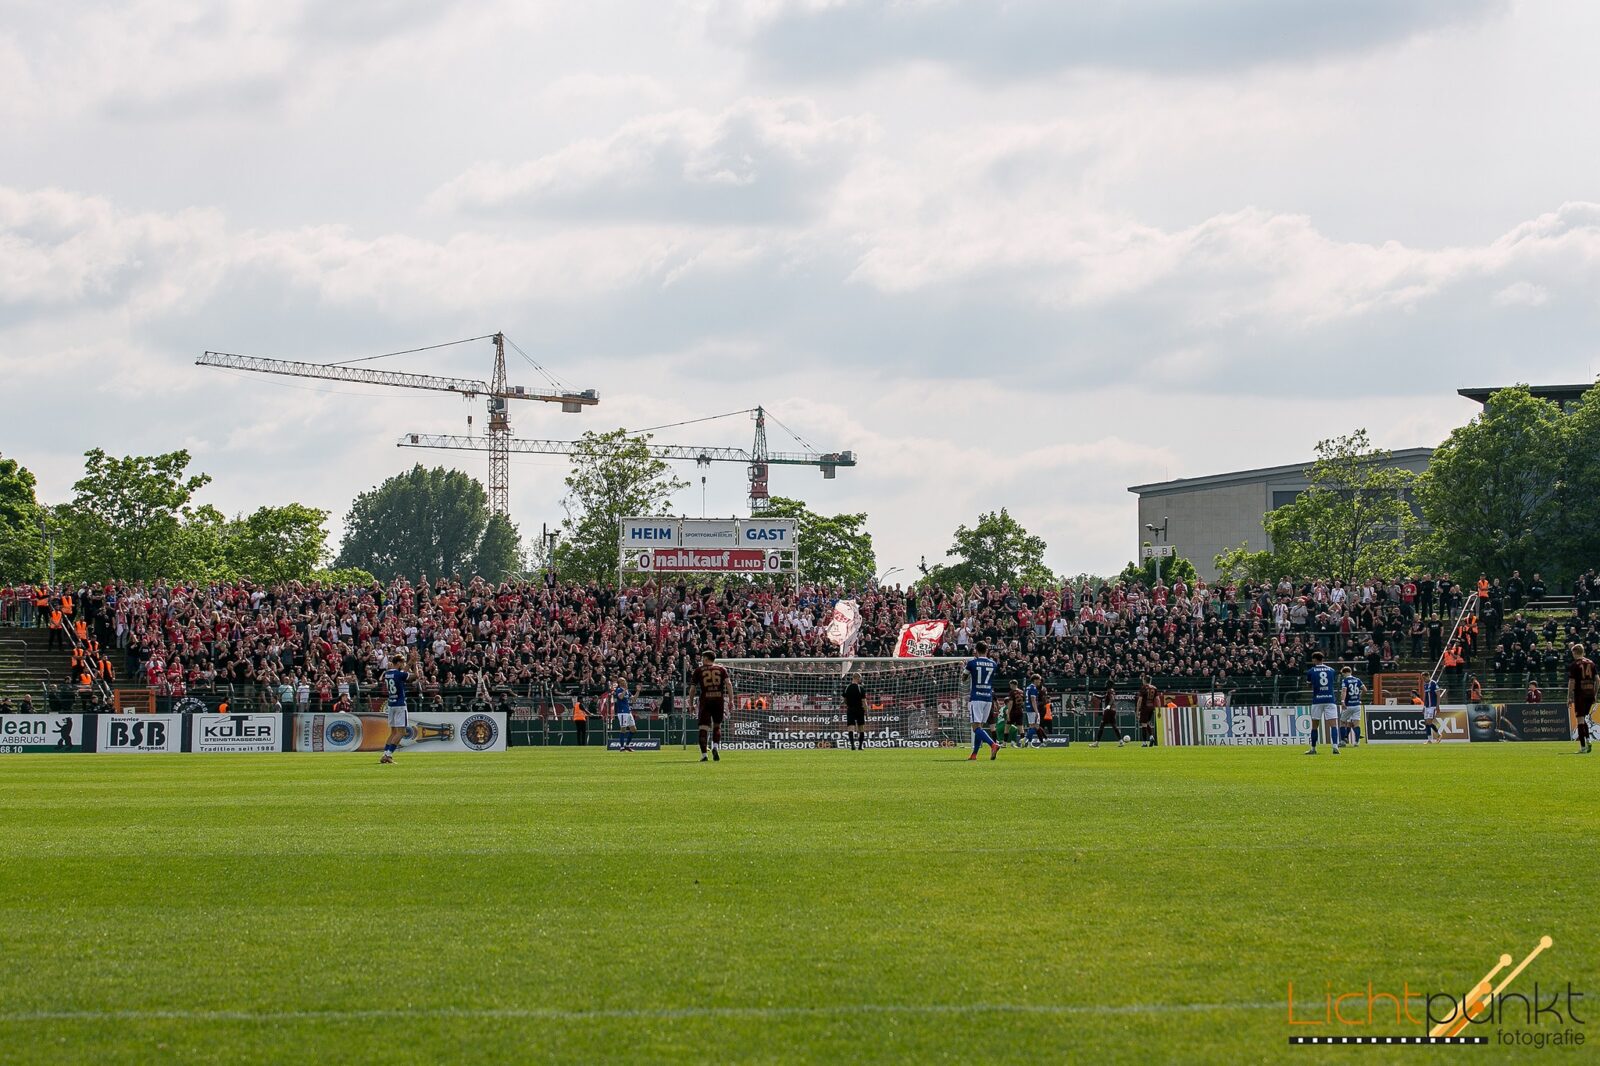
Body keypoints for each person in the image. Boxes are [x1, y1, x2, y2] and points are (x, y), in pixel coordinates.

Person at [691, 651, 731, 763]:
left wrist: (690, 704)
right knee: (717, 725)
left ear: (706, 658)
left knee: (703, 728)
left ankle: (704, 755)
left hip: (705, 700)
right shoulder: (722, 669)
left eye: (703, 658)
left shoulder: (699, 670)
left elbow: (692, 689)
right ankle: (715, 747)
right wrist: (731, 700)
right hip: (718, 699)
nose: (702, 660)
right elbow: (728, 684)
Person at [964, 641, 1000, 761]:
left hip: (976, 697)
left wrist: (966, 669)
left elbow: (963, 679)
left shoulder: (971, 663)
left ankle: (992, 744)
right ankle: (974, 754)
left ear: (976, 650)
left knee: (975, 727)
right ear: (987, 650)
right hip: (988, 698)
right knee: (980, 727)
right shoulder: (993, 663)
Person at [1304, 651, 1340, 755]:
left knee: (1315, 726)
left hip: (1317, 700)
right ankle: (1335, 746)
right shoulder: (1331, 670)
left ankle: (1313, 748)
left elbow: (1309, 685)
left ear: (1315, 659)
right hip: (1330, 699)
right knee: (1333, 725)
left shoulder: (1311, 671)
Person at [378, 654, 411, 765]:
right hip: (400, 705)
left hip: (391, 705)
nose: (404, 665)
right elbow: (414, 676)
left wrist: (409, 663)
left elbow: (402, 674)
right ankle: (388, 755)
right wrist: (414, 663)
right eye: (403, 662)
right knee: (401, 732)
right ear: (399, 663)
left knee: (393, 733)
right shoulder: (399, 674)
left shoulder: (388, 673)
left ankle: (384, 754)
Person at [1569, 643, 1596, 755]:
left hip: (1580, 694)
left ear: (1575, 653)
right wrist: (1595, 693)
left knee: (1580, 719)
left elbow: (1572, 682)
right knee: (1583, 718)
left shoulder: (1575, 665)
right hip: (1590, 693)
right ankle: (1588, 740)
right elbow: (1598, 679)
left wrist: (1569, 696)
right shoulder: (1591, 663)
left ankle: (1583, 746)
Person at [1092, 680, 1123, 748]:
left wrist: (1108, 706)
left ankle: (1096, 743)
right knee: (1114, 726)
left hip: (1109, 711)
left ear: (1109, 684)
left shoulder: (1110, 690)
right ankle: (1121, 741)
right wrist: (1095, 695)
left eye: (1106, 683)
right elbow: (1103, 697)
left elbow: (1112, 699)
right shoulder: (1110, 691)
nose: (1105, 684)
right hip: (1113, 710)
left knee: (1102, 726)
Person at [1339, 667, 1364, 747]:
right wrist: (1359, 697)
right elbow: (1365, 689)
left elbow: (1344, 691)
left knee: (1342, 722)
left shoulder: (1345, 680)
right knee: (1356, 724)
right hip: (1357, 705)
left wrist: (1342, 701)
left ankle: (1343, 741)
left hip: (1348, 705)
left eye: (1343, 674)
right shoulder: (1357, 680)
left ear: (1345, 672)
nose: (1343, 676)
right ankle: (1356, 742)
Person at [843, 671, 867, 751]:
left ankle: (853, 746)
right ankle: (860, 746)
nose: (861, 679)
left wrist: (848, 704)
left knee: (851, 728)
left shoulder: (847, 687)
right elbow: (864, 701)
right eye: (860, 678)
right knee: (861, 728)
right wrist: (866, 711)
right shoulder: (860, 688)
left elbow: (844, 700)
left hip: (850, 709)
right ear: (857, 678)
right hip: (859, 709)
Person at [612, 677, 636, 751]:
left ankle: (627, 745)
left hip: (628, 711)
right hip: (622, 712)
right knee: (623, 729)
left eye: (625, 680)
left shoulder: (627, 691)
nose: (625, 682)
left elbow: (633, 700)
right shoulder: (619, 689)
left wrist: (638, 691)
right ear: (620, 683)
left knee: (633, 729)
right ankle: (622, 747)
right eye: (623, 681)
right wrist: (625, 690)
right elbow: (621, 697)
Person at [1135, 675, 1159, 747]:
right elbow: (1157, 699)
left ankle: (1144, 743)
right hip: (1151, 707)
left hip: (1145, 707)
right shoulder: (1154, 688)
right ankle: (1151, 737)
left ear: (1144, 680)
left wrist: (1137, 710)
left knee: (1143, 724)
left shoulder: (1143, 687)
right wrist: (1159, 709)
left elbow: (1140, 700)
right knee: (1147, 722)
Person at [1024, 673, 1045, 747]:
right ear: (1035, 680)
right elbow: (1033, 700)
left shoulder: (1028, 687)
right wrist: (1036, 711)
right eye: (1039, 680)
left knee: (1031, 726)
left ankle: (1029, 743)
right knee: (1036, 726)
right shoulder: (1033, 688)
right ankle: (1025, 739)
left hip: (1028, 708)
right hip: (1033, 709)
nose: (1040, 681)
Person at [1005, 681, 1027, 748]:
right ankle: (1023, 742)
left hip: (1013, 711)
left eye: (1010, 684)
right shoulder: (1021, 691)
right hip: (1020, 711)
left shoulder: (1012, 692)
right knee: (1021, 727)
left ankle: (1004, 743)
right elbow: (1023, 701)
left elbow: (1010, 703)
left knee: (1007, 727)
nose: (1010, 686)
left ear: (1013, 684)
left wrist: (1008, 713)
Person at [1422, 675, 1442, 744]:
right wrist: (1424, 707)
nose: (1423, 679)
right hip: (1427, 707)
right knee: (1427, 723)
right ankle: (1429, 740)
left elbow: (1438, 695)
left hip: (1432, 706)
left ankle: (1439, 734)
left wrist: (1438, 706)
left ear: (1428, 676)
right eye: (1422, 678)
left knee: (1429, 722)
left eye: (1424, 678)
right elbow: (1426, 697)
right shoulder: (1425, 685)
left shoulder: (1433, 683)